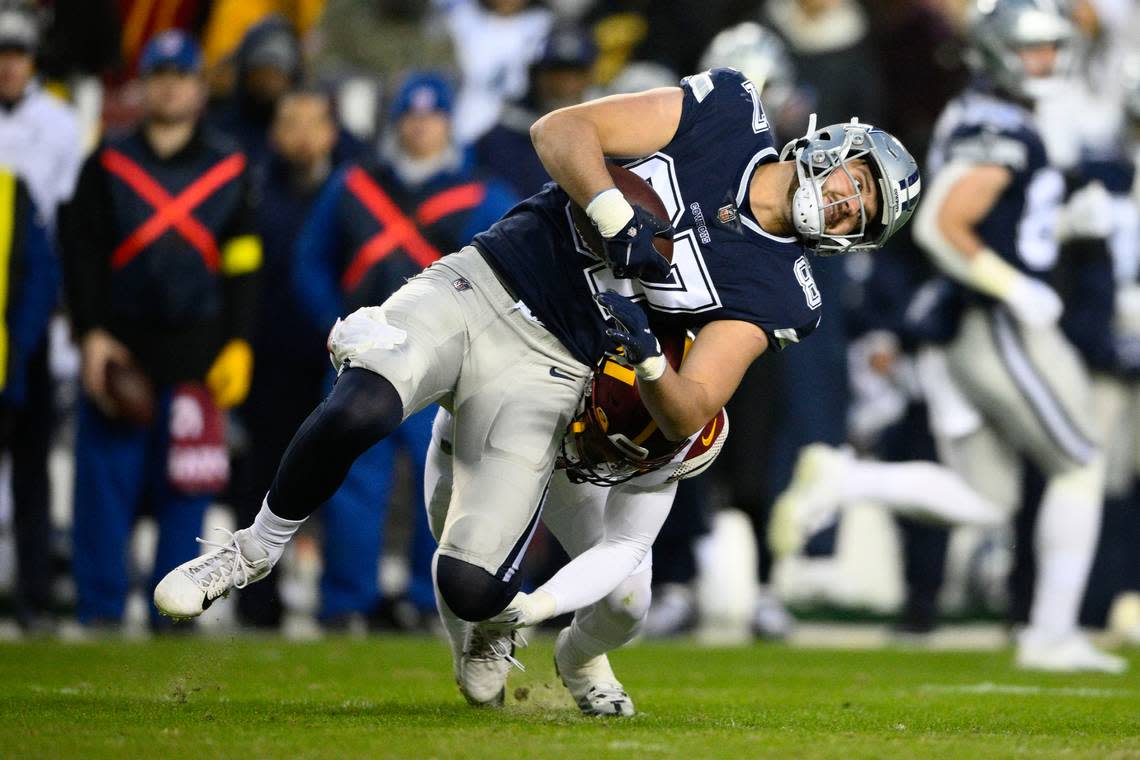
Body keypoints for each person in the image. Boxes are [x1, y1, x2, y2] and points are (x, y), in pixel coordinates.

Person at [155, 66, 919, 699]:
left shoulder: (788, 292)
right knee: (363, 405)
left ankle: (491, 628)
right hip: (492, 276)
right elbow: (560, 131)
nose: (849, 205)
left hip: (562, 365)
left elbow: (691, 408)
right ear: (833, 148)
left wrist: (649, 352)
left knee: (471, 585)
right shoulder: (729, 109)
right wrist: (618, 215)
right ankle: (250, 551)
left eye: (865, 214)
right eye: (860, 183)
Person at [912, 0, 1125, 672]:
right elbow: (942, 224)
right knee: (1082, 462)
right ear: (1002, 50)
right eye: (1035, 49)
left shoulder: (991, 114)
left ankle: (846, 481)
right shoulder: (996, 122)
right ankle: (1050, 635)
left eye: (1051, 48)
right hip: (996, 320)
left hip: (981, 318)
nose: (1048, 61)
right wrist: (1016, 287)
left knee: (989, 500)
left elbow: (999, 221)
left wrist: (1059, 227)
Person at [291, 72, 517, 629]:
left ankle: (427, 601)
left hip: (446, 364)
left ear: (447, 122)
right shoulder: (353, 186)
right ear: (396, 123)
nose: (420, 126)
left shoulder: (485, 194)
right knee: (349, 481)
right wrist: (335, 326)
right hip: (364, 357)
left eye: (431, 116)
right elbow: (308, 263)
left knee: (441, 483)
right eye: (410, 117)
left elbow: (511, 275)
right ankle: (346, 603)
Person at [61, 30, 261, 630]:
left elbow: (245, 262)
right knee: (102, 492)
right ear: (144, 85)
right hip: (120, 351)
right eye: (160, 74)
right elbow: (82, 252)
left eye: (182, 75)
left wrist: (238, 341)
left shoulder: (230, 166)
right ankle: (97, 612)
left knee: (186, 494)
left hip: (197, 351)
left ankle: (174, 614)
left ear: (199, 88)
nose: (171, 85)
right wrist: (90, 333)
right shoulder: (106, 160)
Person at [424, 389, 728, 715]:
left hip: (575, 456)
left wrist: (537, 605)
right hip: (500, 430)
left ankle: (582, 659)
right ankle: (479, 632)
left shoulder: (684, 422)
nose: (614, 464)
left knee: (628, 601)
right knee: (469, 566)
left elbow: (626, 544)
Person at [229, 88, 355, 630]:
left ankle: (343, 601)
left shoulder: (357, 188)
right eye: (289, 122)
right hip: (272, 355)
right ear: (274, 132)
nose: (301, 134)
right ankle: (258, 601)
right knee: (263, 477)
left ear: (332, 130)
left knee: (345, 479)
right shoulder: (252, 190)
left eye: (313, 121)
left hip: (342, 358)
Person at [0, 0, 82, 633]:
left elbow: (64, 233)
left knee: (31, 464)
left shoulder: (58, 122)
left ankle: (32, 592)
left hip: (31, 299)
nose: (7, 66)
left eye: (16, 54)